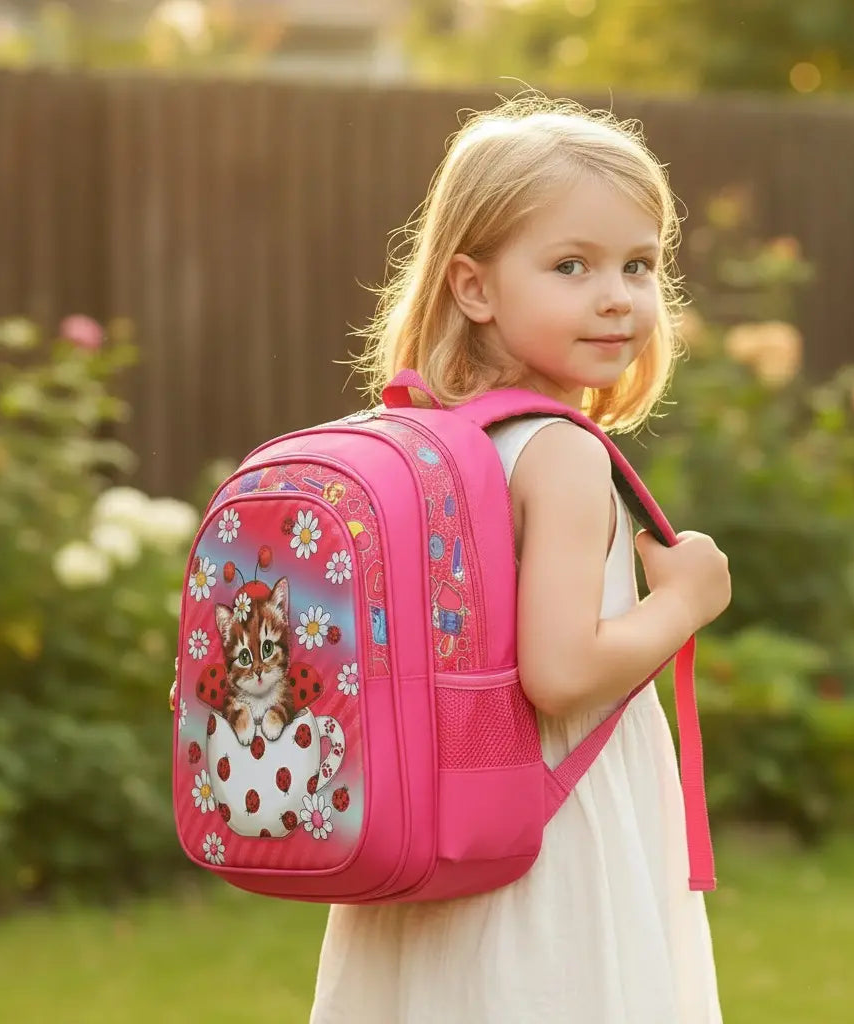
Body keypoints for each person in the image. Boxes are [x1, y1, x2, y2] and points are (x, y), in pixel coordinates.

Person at [309, 92, 731, 1024]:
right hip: (548, 834)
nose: (617, 295)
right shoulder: (561, 452)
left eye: (639, 264)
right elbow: (562, 674)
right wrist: (685, 602)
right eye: (571, 265)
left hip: (433, 821)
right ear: (474, 288)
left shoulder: (421, 438)